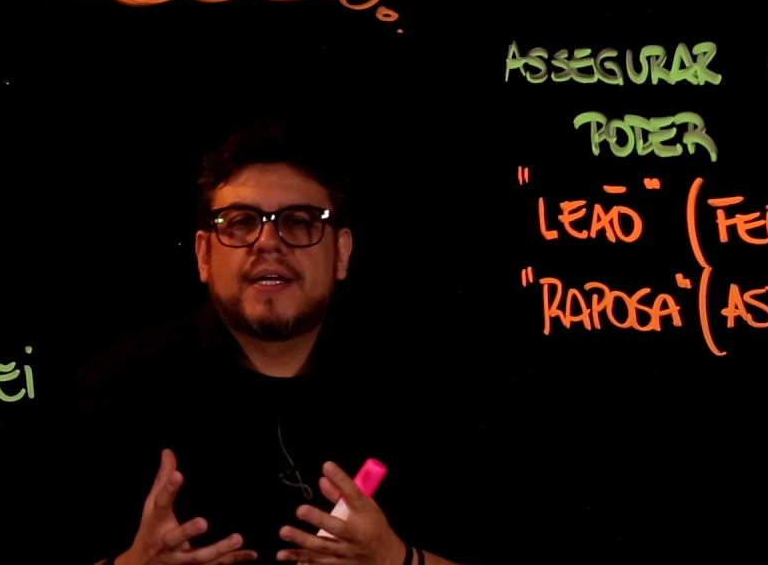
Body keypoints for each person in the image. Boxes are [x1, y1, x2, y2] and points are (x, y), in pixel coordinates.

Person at [70, 121, 479, 565]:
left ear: (342, 253)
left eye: (299, 222)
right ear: (204, 255)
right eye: (241, 222)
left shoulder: (424, 395)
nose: (268, 243)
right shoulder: (108, 392)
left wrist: (397, 560)